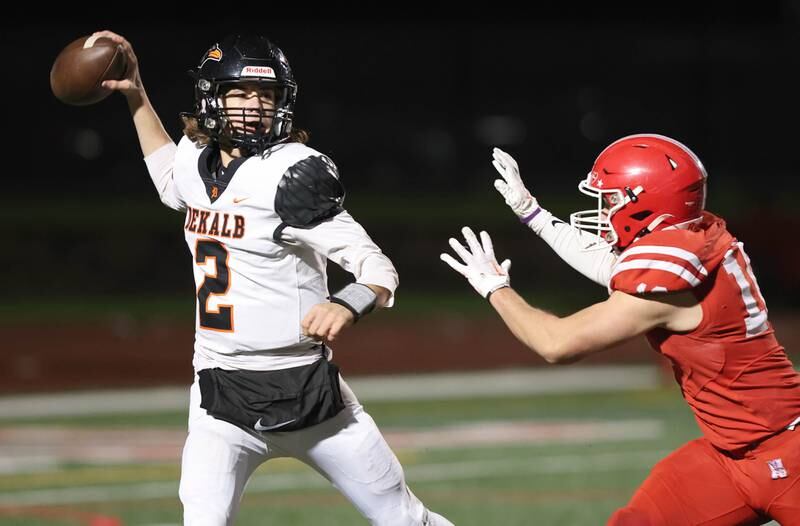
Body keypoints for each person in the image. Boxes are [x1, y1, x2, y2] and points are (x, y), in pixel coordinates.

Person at [95, 30, 453, 526]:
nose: (256, 106)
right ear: (211, 98)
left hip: (309, 397)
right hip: (220, 396)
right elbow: (166, 175)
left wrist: (346, 303)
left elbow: (378, 267)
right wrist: (136, 95)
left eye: (267, 95)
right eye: (242, 93)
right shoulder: (196, 163)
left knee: (404, 519)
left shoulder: (291, 173)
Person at [441, 134, 800, 525]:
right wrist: (533, 213)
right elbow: (612, 267)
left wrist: (496, 288)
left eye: (611, 200)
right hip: (728, 456)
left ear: (648, 203)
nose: (604, 210)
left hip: (790, 454)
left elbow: (555, 343)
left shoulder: (667, 285)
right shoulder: (695, 238)